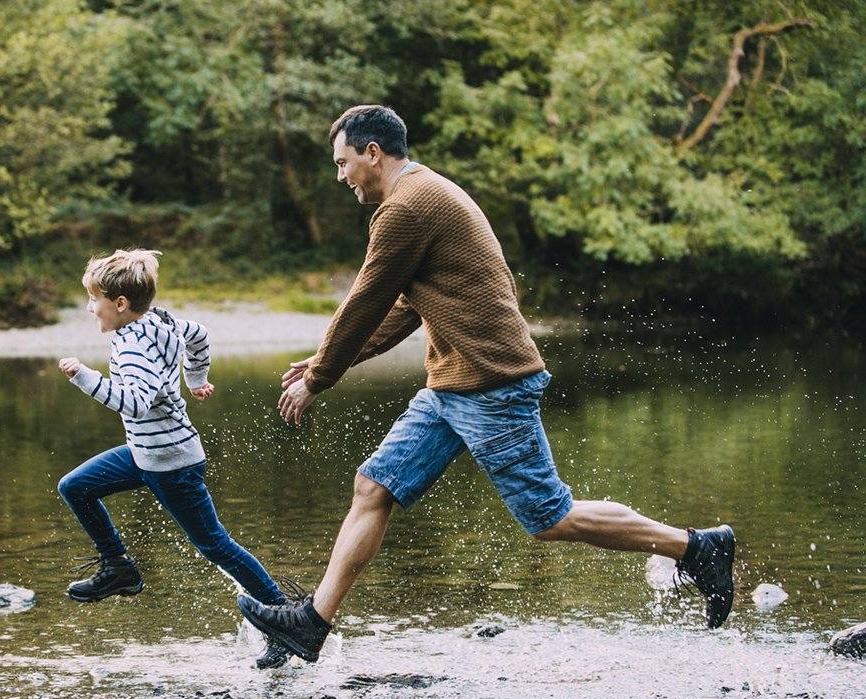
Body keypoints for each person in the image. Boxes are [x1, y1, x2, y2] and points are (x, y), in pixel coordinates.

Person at [237, 105, 736, 663]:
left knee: (550, 518)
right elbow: (403, 305)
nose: (340, 176)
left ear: (372, 153)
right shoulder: (423, 194)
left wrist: (320, 377)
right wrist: (330, 359)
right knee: (373, 488)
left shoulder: (406, 207)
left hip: (491, 384)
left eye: (342, 162)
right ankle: (312, 625)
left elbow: (366, 299)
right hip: (453, 385)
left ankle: (696, 548)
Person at [58, 248, 291, 668]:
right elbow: (199, 334)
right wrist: (195, 379)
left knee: (216, 546)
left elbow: (135, 404)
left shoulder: (131, 346)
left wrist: (84, 377)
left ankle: (283, 618)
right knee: (75, 487)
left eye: (94, 299)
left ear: (120, 303)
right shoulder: (161, 321)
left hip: (172, 462)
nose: (90, 308)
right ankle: (118, 567)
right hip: (145, 454)